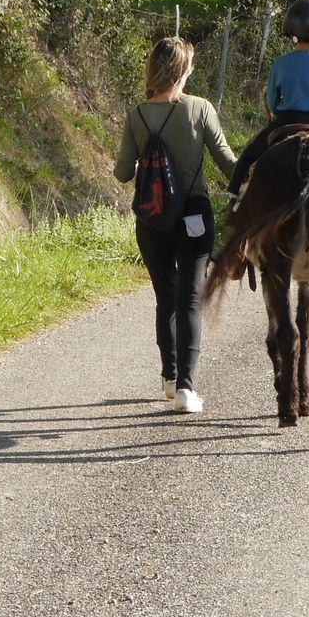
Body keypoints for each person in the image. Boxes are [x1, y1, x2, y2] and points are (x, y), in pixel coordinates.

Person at [115, 36, 239, 415]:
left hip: (151, 218)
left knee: (165, 297)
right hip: (193, 215)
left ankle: (169, 378)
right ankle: (186, 387)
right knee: (190, 300)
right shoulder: (200, 109)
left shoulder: (136, 115)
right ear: (183, 70)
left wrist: (146, 161)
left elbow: (122, 173)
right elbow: (228, 164)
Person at [229, 0, 309, 203]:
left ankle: (233, 196)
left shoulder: (280, 63)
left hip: (286, 121)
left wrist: (280, 110)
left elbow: (272, 101)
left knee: (248, 155)